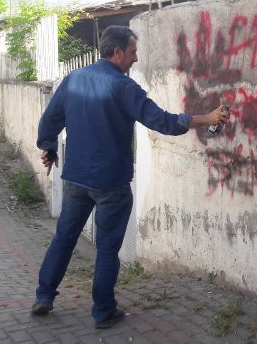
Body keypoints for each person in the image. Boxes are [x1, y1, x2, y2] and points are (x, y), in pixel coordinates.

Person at [31, 25, 229, 329]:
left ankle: (44, 295)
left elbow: (50, 121)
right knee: (108, 248)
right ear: (118, 52)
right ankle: (103, 311)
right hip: (111, 183)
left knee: (64, 237)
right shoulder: (124, 88)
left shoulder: (73, 80)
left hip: (75, 180)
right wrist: (208, 118)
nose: (135, 59)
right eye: (133, 52)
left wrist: (49, 148)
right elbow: (162, 121)